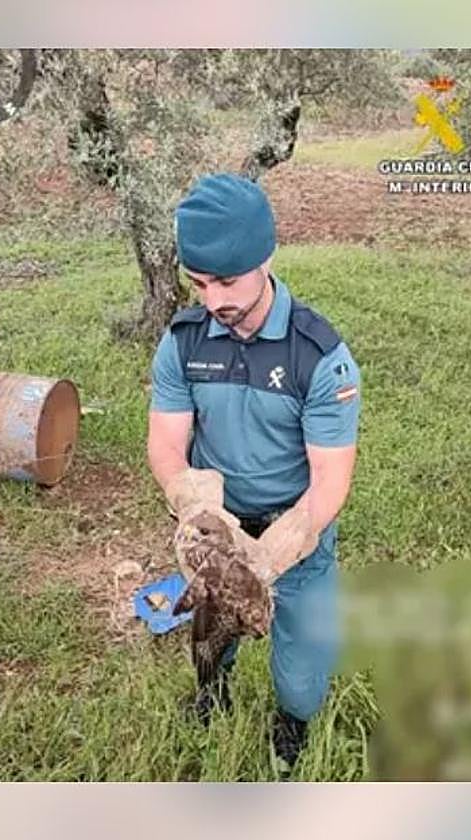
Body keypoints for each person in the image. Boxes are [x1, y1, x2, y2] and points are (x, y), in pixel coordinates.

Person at [146, 172, 361, 772]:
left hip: (297, 534)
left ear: (265, 257)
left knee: (300, 668)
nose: (214, 302)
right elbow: (166, 443)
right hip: (220, 526)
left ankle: (291, 724)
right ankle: (211, 696)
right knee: (211, 638)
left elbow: (330, 484)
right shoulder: (184, 342)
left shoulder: (318, 356)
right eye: (199, 283)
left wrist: (266, 559)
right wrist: (196, 509)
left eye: (228, 281)